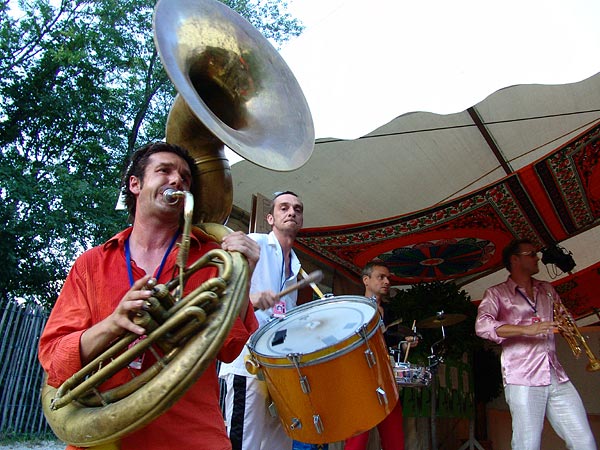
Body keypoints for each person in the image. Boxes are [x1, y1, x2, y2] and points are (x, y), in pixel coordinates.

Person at [38, 142, 260, 450]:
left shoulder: (214, 258)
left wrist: (244, 276)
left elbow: (229, 348)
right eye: (164, 171)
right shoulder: (91, 263)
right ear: (135, 184)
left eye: (185, 177)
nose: (177, 181)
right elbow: (54, 357)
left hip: (190, 436)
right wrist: (113, 325)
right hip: (102, 440)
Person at [475, 238, 597, 450]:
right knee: (527, 444)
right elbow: (482, 326)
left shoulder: (547, 289)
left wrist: (565, 324)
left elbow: (564, 316)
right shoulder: (497, 293)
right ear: (515, 260)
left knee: (584, 441)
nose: (537, 257)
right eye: (531, 254)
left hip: (555, 373)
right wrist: (524, 329)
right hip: (523, 377)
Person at [219, 190, 311, 450]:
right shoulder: (253, 242)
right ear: (270, 218)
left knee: (278, 443)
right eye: (284, 207)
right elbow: (218, 288)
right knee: (242, 442)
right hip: (245, 364)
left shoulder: (296, 265)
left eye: (297, 208)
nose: (292, 212)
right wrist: (252, 298)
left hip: (278, 368)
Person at [345, 261, 416, 450]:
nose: (386, 281)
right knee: (357, 441)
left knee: (394, 439)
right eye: (381, 277)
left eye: (388, 278)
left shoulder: (391, 313)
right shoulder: (353, 309)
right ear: (366, 280)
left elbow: (391, 341)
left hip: (386, 377)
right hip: (361, 378)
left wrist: (405, 342)